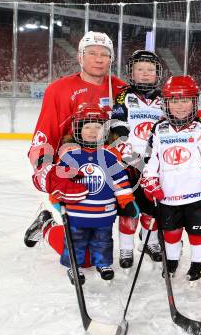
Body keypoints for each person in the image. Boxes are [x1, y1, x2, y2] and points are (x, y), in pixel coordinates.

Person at [24, 31, 128, 254]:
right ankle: (46, 226)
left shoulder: (121, 90)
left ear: (111, 59)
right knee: (84, 254)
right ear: (80, 57)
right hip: (75, 175)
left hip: (111, 172)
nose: (99, 59)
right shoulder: (59, 90)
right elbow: (44, 136)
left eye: (104, 54)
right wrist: (46, 172)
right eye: (92, 53)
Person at [141, 75, 201, 282]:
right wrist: (149, 180)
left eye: (185, 100)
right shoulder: (158, 129)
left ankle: (198, 262)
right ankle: (171, 260)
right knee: (171, 231)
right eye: (175, 101)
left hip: (196, 193)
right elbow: (151, 159)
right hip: (168, 194)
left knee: (197, 232)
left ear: (194, 102)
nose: (180, 106)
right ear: (166, 103)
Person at [51, 104, 138, 284]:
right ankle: (73, 266)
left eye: (98, 127)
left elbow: (120, 181)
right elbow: (59, 180)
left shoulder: (110, 154)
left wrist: (127, 202)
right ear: (77, 129)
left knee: (103, 241)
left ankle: (104, 263)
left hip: (104, 212)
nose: (92, 131)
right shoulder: (69, 154)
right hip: (76, 213)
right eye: (87, 127)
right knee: (75, 242)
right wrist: (56, 198)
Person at [109, 50, 165, 269]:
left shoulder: (163, 97)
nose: (145, 74)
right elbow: (117, 123)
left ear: (157, 73)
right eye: (140, 69)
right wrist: (126, 151)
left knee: (152, 207)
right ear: (131, 72)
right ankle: (125, 248)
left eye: (150, 70)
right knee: (128, 208)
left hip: (154, 162)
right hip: (129, 162)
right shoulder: (124, 95)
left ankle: (150, 242)